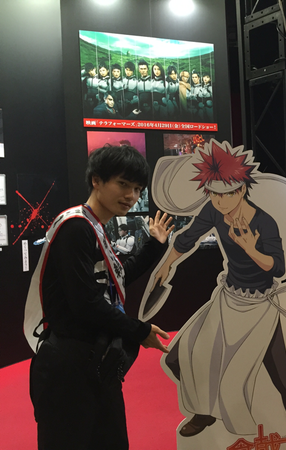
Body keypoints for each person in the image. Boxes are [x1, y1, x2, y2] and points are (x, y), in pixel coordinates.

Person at [149, 141, 286, 449]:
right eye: (214, 193)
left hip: (260, 307)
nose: (220, 200)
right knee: (178, 357)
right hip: (227, 299)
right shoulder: (214, 211)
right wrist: (166, 265)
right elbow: (188, 238)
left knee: (284, 382)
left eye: (227, 193)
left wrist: (250, 248)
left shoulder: (264, 221)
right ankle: (204, 412)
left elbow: (278, 268)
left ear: (241, 190)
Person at [27, 145, 175, 449]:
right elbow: (86, 303)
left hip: (94, 362)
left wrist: (155, 246)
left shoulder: (93, 227)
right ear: (96, 180)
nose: (131, 196)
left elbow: (115, 279)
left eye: (137, 189)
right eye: (123, 184)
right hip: (68, 368)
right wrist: (140, 331)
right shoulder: (76, 228)